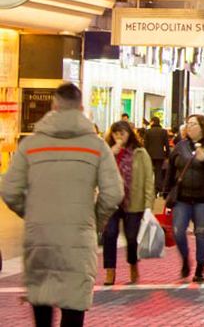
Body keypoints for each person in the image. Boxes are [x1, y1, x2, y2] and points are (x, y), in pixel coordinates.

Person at [2, 84, 122, 327]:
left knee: (42, 302)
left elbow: (9, 190)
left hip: (40, 237)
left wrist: (32, 213)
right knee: (73, 304)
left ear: (54, 106)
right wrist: (94, 220)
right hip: (78, 236)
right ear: (81, 108)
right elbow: (114, 193)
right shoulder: (96, 146)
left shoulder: (31, 144)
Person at [165, 113, 204, 283]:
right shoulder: (180, 146)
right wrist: (166, 191)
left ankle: (200, 267)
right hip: (183, 197)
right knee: (178, 230)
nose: (190, 127)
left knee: (201, 231)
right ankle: (185, 259)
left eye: (194, 124)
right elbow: (171, 168)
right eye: (188, 124)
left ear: (202, 127)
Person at [101, 120, 155, 286]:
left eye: (122, 133)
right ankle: (110, 270)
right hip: (112, 201)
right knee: (109, 235)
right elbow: (99, 172)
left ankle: (133, 265)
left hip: (134, 201)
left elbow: (148, 179)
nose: (119, 137)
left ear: (129, 134)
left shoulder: (140, 153)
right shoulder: (106, 152)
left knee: (132, 237)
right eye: (116, 133)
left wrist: (148, 204)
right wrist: (111, 153)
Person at [143, 116, 169, 195]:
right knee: (159, 172)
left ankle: (149, 188)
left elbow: (145, 144)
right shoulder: (163, 131)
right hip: (160, 155)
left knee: (149, 171)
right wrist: (167, 155)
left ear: (153, 122)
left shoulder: (148, 131)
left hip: (149, 155)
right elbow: (166, 144)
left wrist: (145, 154)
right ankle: (158, 188)